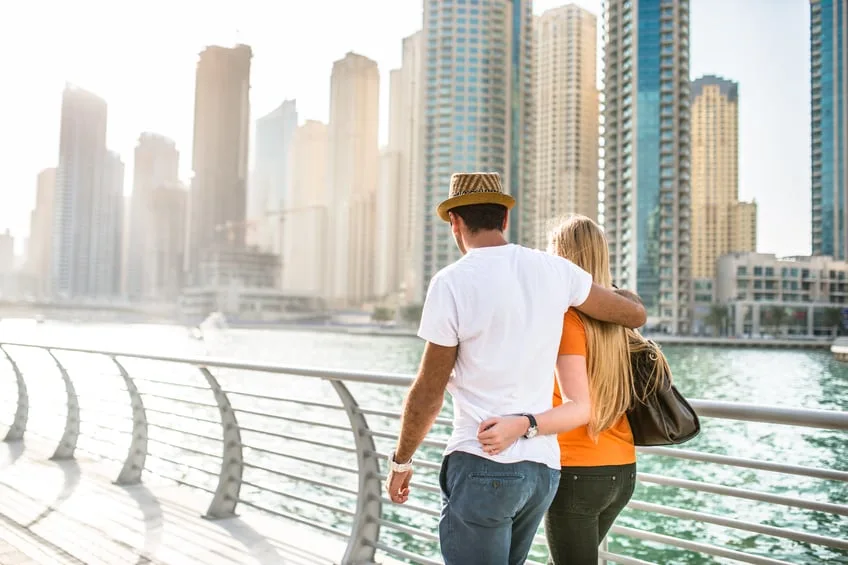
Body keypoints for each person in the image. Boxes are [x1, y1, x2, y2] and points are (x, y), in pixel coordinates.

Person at [384, 173, 647, 565]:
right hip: (541, 473)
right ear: (504, 218)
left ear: (455, 222)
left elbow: (429, 389)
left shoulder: (451, 282)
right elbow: (633, 314)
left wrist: (401, 461)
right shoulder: (557, 271)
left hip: (481, 463)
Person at [478, 214, 660, 564]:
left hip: (578, 473)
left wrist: (523, 424)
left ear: (561, 260)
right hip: (622, 469)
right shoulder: (620, 320)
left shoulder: (567, 318)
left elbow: (577, 403)